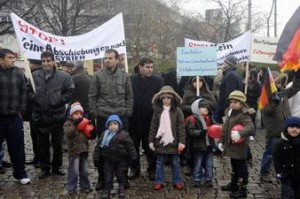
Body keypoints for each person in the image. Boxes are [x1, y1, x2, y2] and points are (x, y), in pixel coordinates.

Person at [89, 49, 133, 190]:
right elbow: (92, 96)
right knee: (103, 148)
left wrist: (128, 111)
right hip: (104, 117)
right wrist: (95, 112)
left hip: (121, 116)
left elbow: (129, 96)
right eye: (105, 58)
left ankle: (123, 177)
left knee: (123, 148)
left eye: (110, 58)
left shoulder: (125, 76)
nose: (107, 60)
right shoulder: (98, 76)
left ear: (117, 59)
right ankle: (102, 178)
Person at [28, 51, 75, 179]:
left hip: (57, 116)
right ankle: (44, 168)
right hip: (40, 115)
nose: (46, 63)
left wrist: (59, 99)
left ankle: (56, 167)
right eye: (43, 61)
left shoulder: (64, 76)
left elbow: (70, 91)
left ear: (54, 61)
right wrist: (35, 98)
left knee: (57, 144)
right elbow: (28, 90)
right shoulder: (34, 75)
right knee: (42, 144)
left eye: (48, 61)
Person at [260, 70, 300, 183]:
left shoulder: (284, 92)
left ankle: (282, 172)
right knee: (270, 152)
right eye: (277, 82)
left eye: (281, 82)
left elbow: (296, 87)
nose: (279, 84)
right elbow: (265, 110)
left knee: (285, 153)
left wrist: (297, 74)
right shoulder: (266, 96)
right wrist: (275, 102)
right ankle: (264, 172)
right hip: (274, 130)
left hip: (285, 129)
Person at [129, 57, 163, 180]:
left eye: (152, 67)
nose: (150, 70)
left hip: (150, 119)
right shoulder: (131, 80)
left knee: (150, 146)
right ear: (140, 67)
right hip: (133, 118)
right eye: (147, 67)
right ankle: (134, 169)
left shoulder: (157, 81)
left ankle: (152, 169)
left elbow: (161, 99)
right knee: (133, 146)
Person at [0, 48, 30, 184]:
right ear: (1, 59)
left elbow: (24, 92)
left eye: (14, 58)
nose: (13, 60)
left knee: (17, 147)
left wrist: (21, 110)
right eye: (10, 58)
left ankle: (20, 173)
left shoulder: (18, 73)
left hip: (14, 117)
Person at [218, 90, 254, 198]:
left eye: (235, 102)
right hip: (231, 146)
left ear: (242, 103)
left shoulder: (244, 115)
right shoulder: (230, 112)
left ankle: (243, 188)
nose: (232, 104)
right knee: (234, 166)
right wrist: (221, 141)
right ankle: (233, 184)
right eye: (231, 102)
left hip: (240, 147)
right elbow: (224, 129)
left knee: (241, 168)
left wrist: (240, 133)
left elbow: (250, 127)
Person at [148, 86, 186, 190]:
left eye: (168, 98)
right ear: (160, 99)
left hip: (174, 142)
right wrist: (151, 140)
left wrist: (181, 142)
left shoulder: (178, 111)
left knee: (175, 162)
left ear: (172, 99)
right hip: (160, 142)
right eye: (163, 98)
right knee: (159, 162)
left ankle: (177, 180)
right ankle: (159, 181)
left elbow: (181, 128)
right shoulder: (157, 111)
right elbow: (153, 126)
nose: (166, 100)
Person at [93, 115, 137, 199]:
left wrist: (133, 157)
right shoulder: (104, 134)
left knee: (121, 176)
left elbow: (130, 147)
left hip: (120, 160)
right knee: (108, 176)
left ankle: (121, 188)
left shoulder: (124, 135)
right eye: (110, 124)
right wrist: (96, 157)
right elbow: (98, 147)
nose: (113, 126)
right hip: (108, 160)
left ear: (119, 125)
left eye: (115, 124)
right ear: (108, 126)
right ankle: (107, 190)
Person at [63, 102, 93, 195]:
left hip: (84, 150)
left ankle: (85, 186)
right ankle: (71, 187)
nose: (79, 116)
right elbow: (68, 134)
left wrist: (91, 130)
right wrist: (75, 125)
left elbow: (89, 136)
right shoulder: (67, 124)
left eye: (80, 114)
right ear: (71, 115)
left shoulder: (84, 122)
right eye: (76, 114)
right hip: (74, 151)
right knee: (74, 171)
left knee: (84, 170)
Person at [185, 98, 215, 188]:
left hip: (209, 145)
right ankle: (197, 179)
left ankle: (209, 179)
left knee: (209, 164)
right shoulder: (192, 119)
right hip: (198, 146)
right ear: (197, 108)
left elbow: (215, 126)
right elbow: (190, 131)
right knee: (197, 163)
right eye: (202, 107)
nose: (205, 109)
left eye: (207, 107)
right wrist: (200, 133)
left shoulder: (209, 118)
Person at [273, 116, 300, 199]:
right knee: (287, 193)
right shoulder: (280, 143)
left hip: (298, 173)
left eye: (297, 127)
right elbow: (277, 159)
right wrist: (278, 172)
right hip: (286, 173)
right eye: (292, 127)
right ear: (286, 128)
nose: (295, 129)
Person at [216, 55, 244, 123]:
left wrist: (227, 110)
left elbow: (229, 95)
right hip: (233, 106)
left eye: (225, 61)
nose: (223, 62)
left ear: (229, 63)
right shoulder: (236, 74)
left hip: (227, 108)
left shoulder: (230, 75)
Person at [25, 59, 42, 167]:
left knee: (39, 136)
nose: (29, 65)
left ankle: (41, 158)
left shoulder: (36, 75)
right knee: (34, 135)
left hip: (38, 110)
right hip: (32, 111)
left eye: (31, 63)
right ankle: (37, 157)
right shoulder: (31, 74)